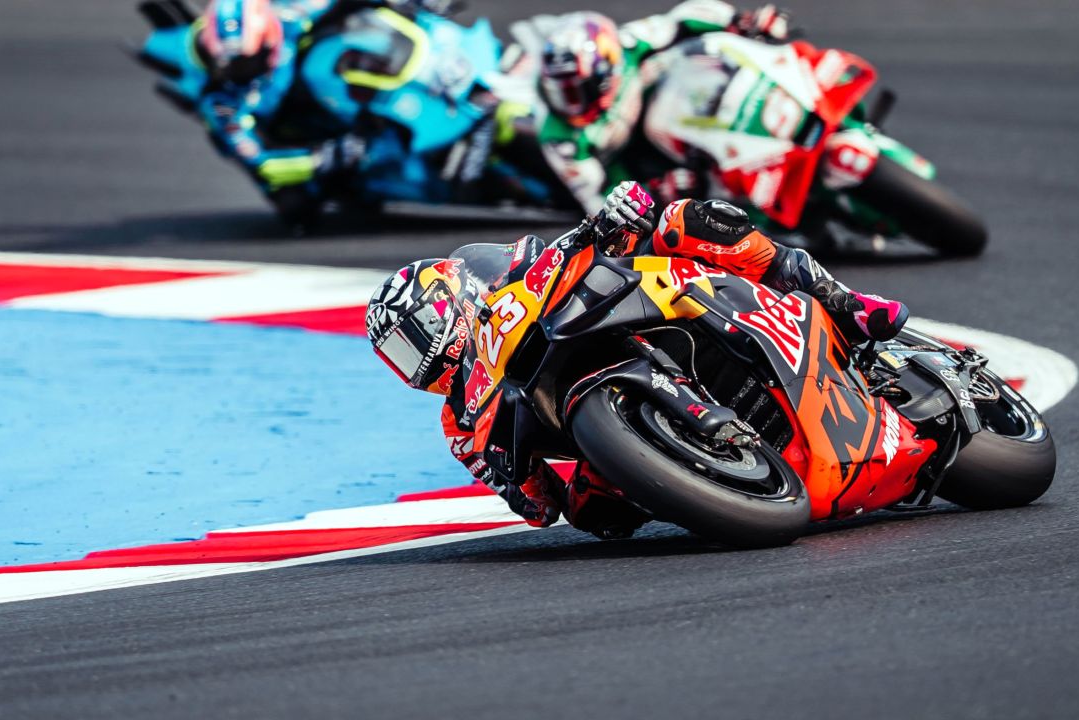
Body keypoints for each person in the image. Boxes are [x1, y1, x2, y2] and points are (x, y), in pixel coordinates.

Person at [366, 182, 907, 535]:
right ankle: (712, 478)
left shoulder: (511, 273)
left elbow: (579, 244)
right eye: (399, 355)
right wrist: (521, 488)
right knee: (594, 514)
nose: (414, 358)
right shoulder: (460, 424)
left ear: (448, 301)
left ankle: (845, 302)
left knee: (681, 221)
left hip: (631, 306)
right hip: (586, 408)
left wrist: (615, 214)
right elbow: (538, 504)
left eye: (414, 336)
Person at [505, 0, 790, 214]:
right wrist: (653, 192)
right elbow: (598, 201)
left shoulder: (627, 43)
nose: (571, 105)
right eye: (561, 93)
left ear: (607, 67)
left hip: (674, 96)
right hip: (633, 162)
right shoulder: (560, 138)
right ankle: (750, 209)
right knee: (687, 196)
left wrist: (740, 21)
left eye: (579, 90)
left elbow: (682, 18)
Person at [192, 0, 461, 225]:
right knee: (295, 204)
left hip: (326, 97)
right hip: (300, 144)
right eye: (233, 64)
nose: (242, 69)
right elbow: (263, 162)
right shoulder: (221, 102)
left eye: (248, 60)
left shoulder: (292, 14)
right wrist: (330, 155)